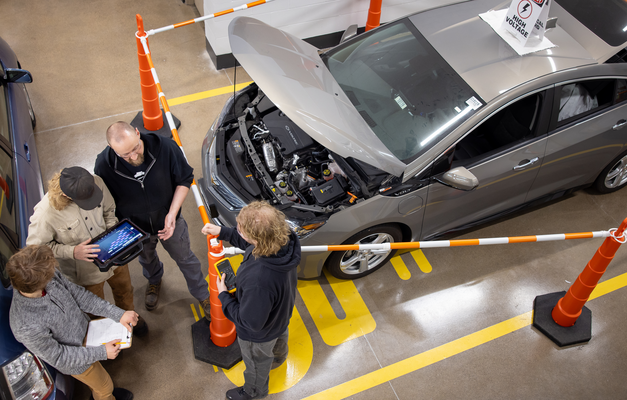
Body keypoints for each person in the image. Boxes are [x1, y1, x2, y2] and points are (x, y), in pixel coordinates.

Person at [94, 121, 210, 318]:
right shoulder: (104, 165)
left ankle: (203, 294)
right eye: (125, 155)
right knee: (146, 259)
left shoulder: (165, 148)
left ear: (138, 133)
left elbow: (184, 179)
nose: (133, 156)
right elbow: (106, 202)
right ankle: (154, 280)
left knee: (186, 259)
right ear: (112, 149)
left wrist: (172, 214)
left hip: (169, 221)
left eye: (135, 148)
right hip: (135, 229)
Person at [26, 167, 147, 336]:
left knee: (125, 290)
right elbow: (36, 250)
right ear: (66, 196)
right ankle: (107, 336)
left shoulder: (95, 181)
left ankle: (130, 319)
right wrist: (72, 252)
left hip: (114, 259)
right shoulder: (45, 213)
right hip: (85, 272)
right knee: (95, 308)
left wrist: (114, 237)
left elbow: (109, 210)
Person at [7, 245, 138, 400]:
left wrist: (118, 314)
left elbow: (79, 296)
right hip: (74, 359)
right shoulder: (25, 325)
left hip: (89, 333)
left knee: (99, 381)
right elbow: (59, 357)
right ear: (38, 283)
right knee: (104, 386)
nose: (54, 273)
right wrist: (102, 352)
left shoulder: (46, 274)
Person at [202, 201, 301, 400]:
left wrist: (223, 296)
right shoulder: (285, 240)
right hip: (281, 314)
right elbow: (249, 243)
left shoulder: (260, 280)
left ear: (257, 238)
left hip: (259, 335)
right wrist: (222, 232)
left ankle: (254, 392)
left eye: (241, 229)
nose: (238, 230)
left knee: (257, 361)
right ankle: (279, 357)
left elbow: (250, 322)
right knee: (280, 336)